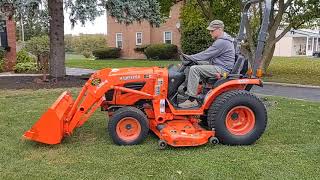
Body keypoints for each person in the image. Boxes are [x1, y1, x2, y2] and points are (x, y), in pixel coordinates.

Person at [178, 20, 236, 108]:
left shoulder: (222, 42)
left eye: (212, 30)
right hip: (218, 65)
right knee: (194, 63)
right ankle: (188, 89)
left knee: (195, 69)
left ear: (220, 29)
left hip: (223, 69)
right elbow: (207, 55)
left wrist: (189, 57)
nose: (210, 33)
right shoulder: (223, 40)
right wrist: (192, 59)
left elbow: (206, 54)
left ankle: (191, 100)